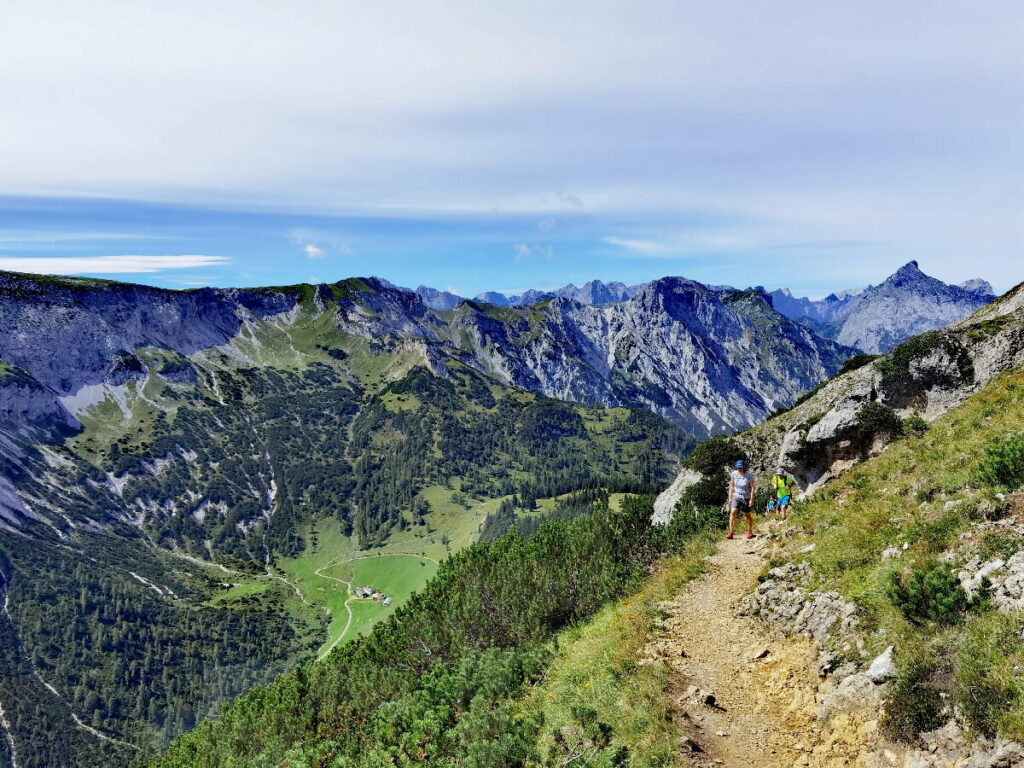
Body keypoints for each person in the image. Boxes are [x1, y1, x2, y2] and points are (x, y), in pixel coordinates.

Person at [726, 459, 755, 539]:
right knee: (733, 512)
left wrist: (751, 499)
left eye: (741, 468)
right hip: (736, 495)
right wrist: (730, 497)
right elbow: (731, 485)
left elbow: (752, 487)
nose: (739, 469)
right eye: (738, 468)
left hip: (746, 496)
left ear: (743, 467)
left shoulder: (748, 475)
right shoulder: (734, 474)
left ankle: (749, 531)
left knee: (747, 514)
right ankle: (731, 532)